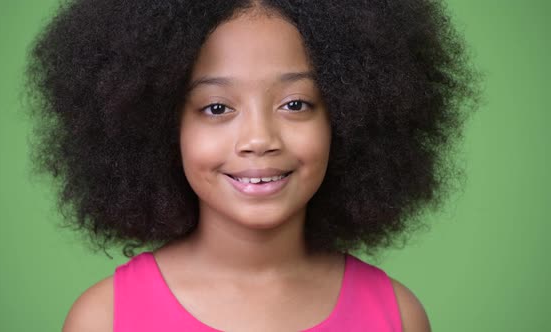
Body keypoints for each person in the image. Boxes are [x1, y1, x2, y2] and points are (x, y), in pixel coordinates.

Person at [26, 0, 479, 331]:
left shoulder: (397, 317)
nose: (259, 139)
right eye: (217, 108)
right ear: (160, 127)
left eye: (296, 103)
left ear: (347, 117)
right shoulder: (105, 319)